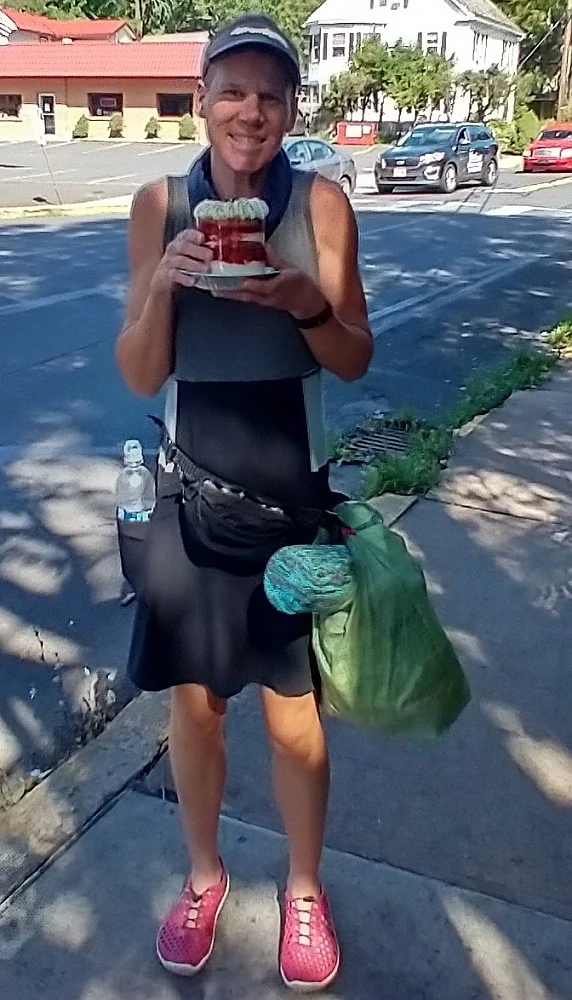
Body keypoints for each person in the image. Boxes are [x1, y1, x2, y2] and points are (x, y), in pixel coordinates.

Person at [115, 13, 372, 993]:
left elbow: (354, 358)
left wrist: (304, 302)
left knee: (293, 715)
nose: (250, 111)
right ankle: (203, 876)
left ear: (292, 110)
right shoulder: (158, 205)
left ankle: (303, 890)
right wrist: (165, 289)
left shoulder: (320, 204)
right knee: (197, 705)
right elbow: (140, 373)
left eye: (271, 94)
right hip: (191, 490)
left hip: (289, 497)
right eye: (232, 91)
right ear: (202, 102)